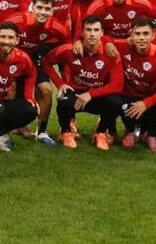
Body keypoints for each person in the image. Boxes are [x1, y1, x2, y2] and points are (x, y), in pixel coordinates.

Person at [0, 0, 69, 146]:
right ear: (32, 8)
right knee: (10, 91)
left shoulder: (56, 27)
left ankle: (42, 131)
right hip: (11, 59)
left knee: (46, 90)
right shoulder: (18, 20)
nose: (43, 12)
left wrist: (74, 46)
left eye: (47, 9)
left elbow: (68, 43)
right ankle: (3, 132)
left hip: (33, 60)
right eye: (39, 7)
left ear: (52, 11)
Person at [42, 16, 124, 150]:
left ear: (102, 33)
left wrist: (90, 94)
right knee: (63, 100)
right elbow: (46, 61)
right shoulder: (69, 49)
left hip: (96, 97)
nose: (92, 34)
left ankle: (101, 133)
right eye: (88, 30)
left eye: (96, 30)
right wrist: (60, 83)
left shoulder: (111, 53)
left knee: (115, 101)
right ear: (82, 33)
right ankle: (66, 132)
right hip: (75, 96)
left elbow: (117, 85)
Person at [113, 19, 156, 152]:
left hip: (150, 100)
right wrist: (108, 44)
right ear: (132, 36)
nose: (141, 38)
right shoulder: (123, 47)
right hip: (130, 96)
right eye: (137, 34)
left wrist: (146, 103)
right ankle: (131, 131)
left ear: (153, 36)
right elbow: (102, 40)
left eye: (145, 34)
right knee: (116, 101)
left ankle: (151, 134)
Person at [0, 21, 38, 152]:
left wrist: (29, 97)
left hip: (1, 101)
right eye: (3, 37)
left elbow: (31, 73)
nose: (6, 41)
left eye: (10, 37)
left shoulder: (22, 59)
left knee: (31, 110)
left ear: (17, 40)